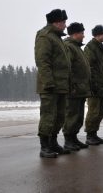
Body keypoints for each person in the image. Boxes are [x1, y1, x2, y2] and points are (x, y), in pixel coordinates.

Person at [34, 9, 71, 158]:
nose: (65, 25)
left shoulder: (57, 38)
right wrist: (48, 82)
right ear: (56, 22)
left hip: (61, 85)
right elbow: (43, 61)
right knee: (48, 115)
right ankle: (44, 146)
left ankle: (53, 142)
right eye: (63, 22)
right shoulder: (45, 36)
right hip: (50, 85)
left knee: (60, 116)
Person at [62, 22, 91, 151]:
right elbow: (67, 68)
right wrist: (71, 85)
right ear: (75, 34)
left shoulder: (78, 48)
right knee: (72, 114)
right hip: (73, 88)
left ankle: (74, 138)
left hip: (81, 88)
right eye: (82, 33)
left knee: (79, 116)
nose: (84, 36)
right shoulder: (69, 46)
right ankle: (68, 139)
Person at [84, 25, 103, 145]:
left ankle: (94, 133)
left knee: (100, 112)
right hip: (94, 86)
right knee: (93, 112)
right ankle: (89, 135)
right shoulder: (90, 48)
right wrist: (93, 84)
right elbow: (89, 68)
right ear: (98, 35)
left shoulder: (101, 48)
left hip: (101, 86)